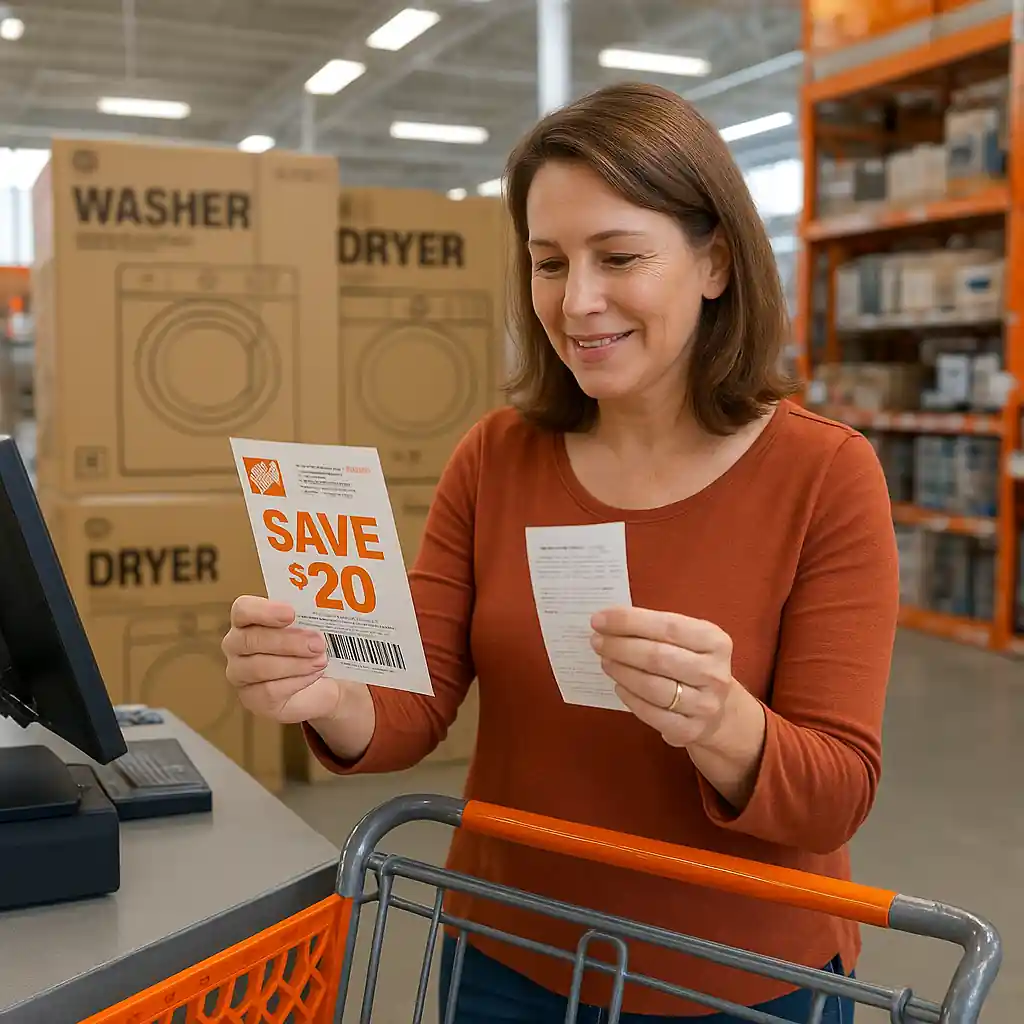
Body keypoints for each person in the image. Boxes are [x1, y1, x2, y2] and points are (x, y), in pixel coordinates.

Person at [222, 82, 899, 1023]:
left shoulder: (825, 476)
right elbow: (414, 701)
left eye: (619, 256)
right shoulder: (497, 458)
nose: (577, 302)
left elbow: (835, 795)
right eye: (548, 264)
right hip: (506, 952)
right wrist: (325, 695)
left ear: (714, 262)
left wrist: (723, 722)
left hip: (735, 981)